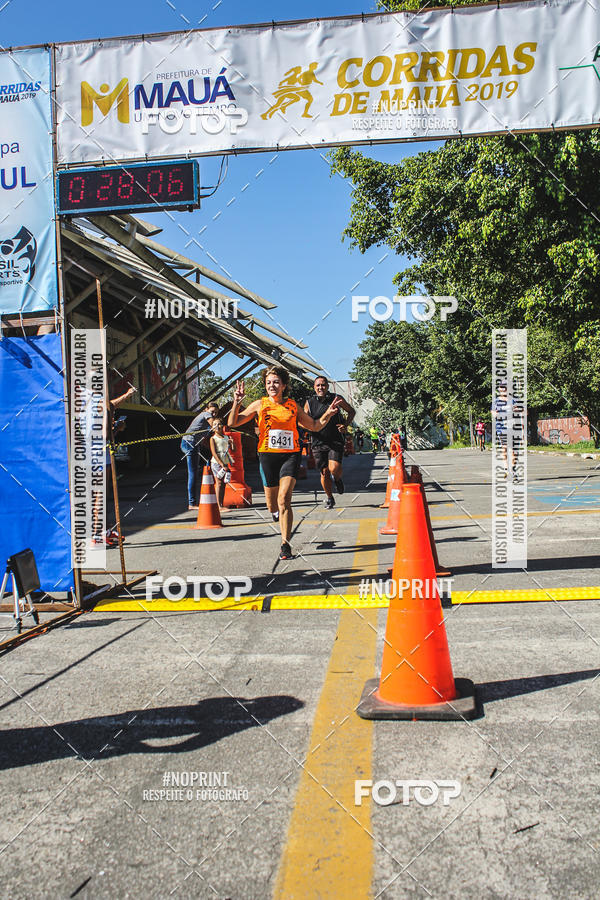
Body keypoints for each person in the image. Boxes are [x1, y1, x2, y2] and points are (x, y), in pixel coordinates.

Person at [228, 366, 342, 559]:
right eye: (268, 382)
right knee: (272, 505)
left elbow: (314, 425)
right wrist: (236, 402)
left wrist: (328, 415)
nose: (271, 386)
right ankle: (275, 512)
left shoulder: (292, 406)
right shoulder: (259, 404)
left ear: (283, 385)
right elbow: (233, 423)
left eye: (276, 382)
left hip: (290, 456)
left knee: (284, 499)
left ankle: (285, 544)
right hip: (267, 456)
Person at [304, 376, 355, 510]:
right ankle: (329, 497)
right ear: (314, 387)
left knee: (334, 468)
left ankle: (337, 479)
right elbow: (304, 420)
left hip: (335, 439)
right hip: (318, 441)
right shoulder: (309, 403)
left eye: (323, 385)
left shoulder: (336, 399)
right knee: (324, 472)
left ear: (327, 386)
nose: (320, 388)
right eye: (318, 385)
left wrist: (345, 425)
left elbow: (351, 411)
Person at [181, 401, 219, 509]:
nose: (214, 414)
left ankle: (192, 502)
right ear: (206, 409)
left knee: (194, 472)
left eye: (216, 412)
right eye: (212, 411)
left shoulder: (205, 420)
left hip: (193, 444)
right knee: (193, 473)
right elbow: (214, 425)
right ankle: (192, 503)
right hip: (189, 443)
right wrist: (221, 428)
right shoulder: (205, 414)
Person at [209, 418, 234, 510]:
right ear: (212, 427)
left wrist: (232, 443)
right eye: (215, 424)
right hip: (217, 463)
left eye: (219, 424)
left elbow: (233, 450)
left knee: (224, 483)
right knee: (219, 483)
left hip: (225, 462)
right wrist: (221, 464)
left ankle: (221, 504)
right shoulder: (213, 438)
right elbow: (214, 453)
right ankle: (219, 506)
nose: (217, 426)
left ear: (222, 426)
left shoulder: (226, 437)